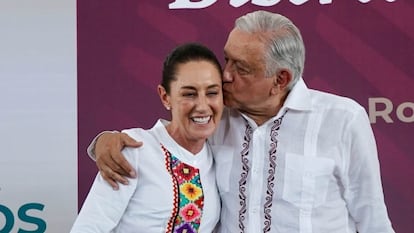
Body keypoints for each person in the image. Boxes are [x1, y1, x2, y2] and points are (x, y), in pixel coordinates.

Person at [88, 11, 395, 233]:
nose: (225, 75)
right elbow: (164, 141)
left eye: (242, 67)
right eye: (227, 59)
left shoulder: (342, 120)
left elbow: (372, 219)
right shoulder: (215, 117)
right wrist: (105, 141)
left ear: (280, 79)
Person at [72, 43, 224, 232]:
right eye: (189, 94)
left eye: (212, 93)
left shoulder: (219, 157)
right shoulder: (134, 149)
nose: (202, 105)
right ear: (165, 96)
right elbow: (89, 228)